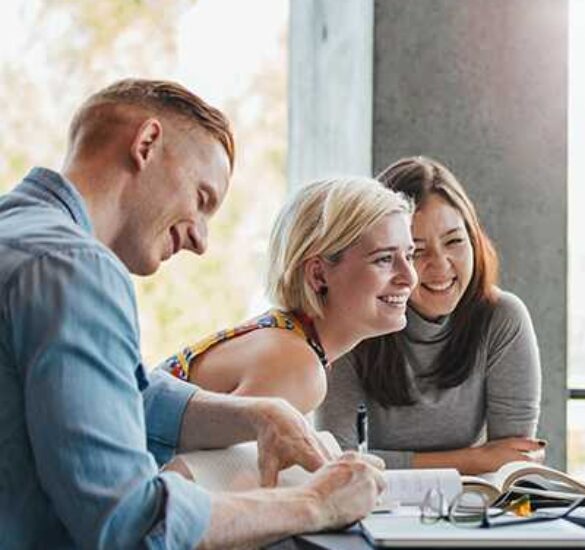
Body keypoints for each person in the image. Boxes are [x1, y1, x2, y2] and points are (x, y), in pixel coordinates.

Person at [0, 79, 386, 549]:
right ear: (146, 144)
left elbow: (116, 391)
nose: (201, 241)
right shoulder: (75, 268)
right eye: (202, 199)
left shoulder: (19, 237)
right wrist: (316, 503)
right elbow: (129, 524)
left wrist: (258, 414)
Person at [318, 156, 542, 474]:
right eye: (416, 251)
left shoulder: (502, 318)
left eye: (454, 242)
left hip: (473, 509)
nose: (440, 265)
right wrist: (475, 459)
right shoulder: (351, 322)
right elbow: (337, 462)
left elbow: (513, 461)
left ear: (475, 241)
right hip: (372, 508)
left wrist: (392, 462)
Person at [161, 176, 417, 414]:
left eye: (409, 256)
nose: (410, 277)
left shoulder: (287, 339)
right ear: (318, 275)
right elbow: (194, 463)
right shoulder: (296, 366)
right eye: (384, 259)